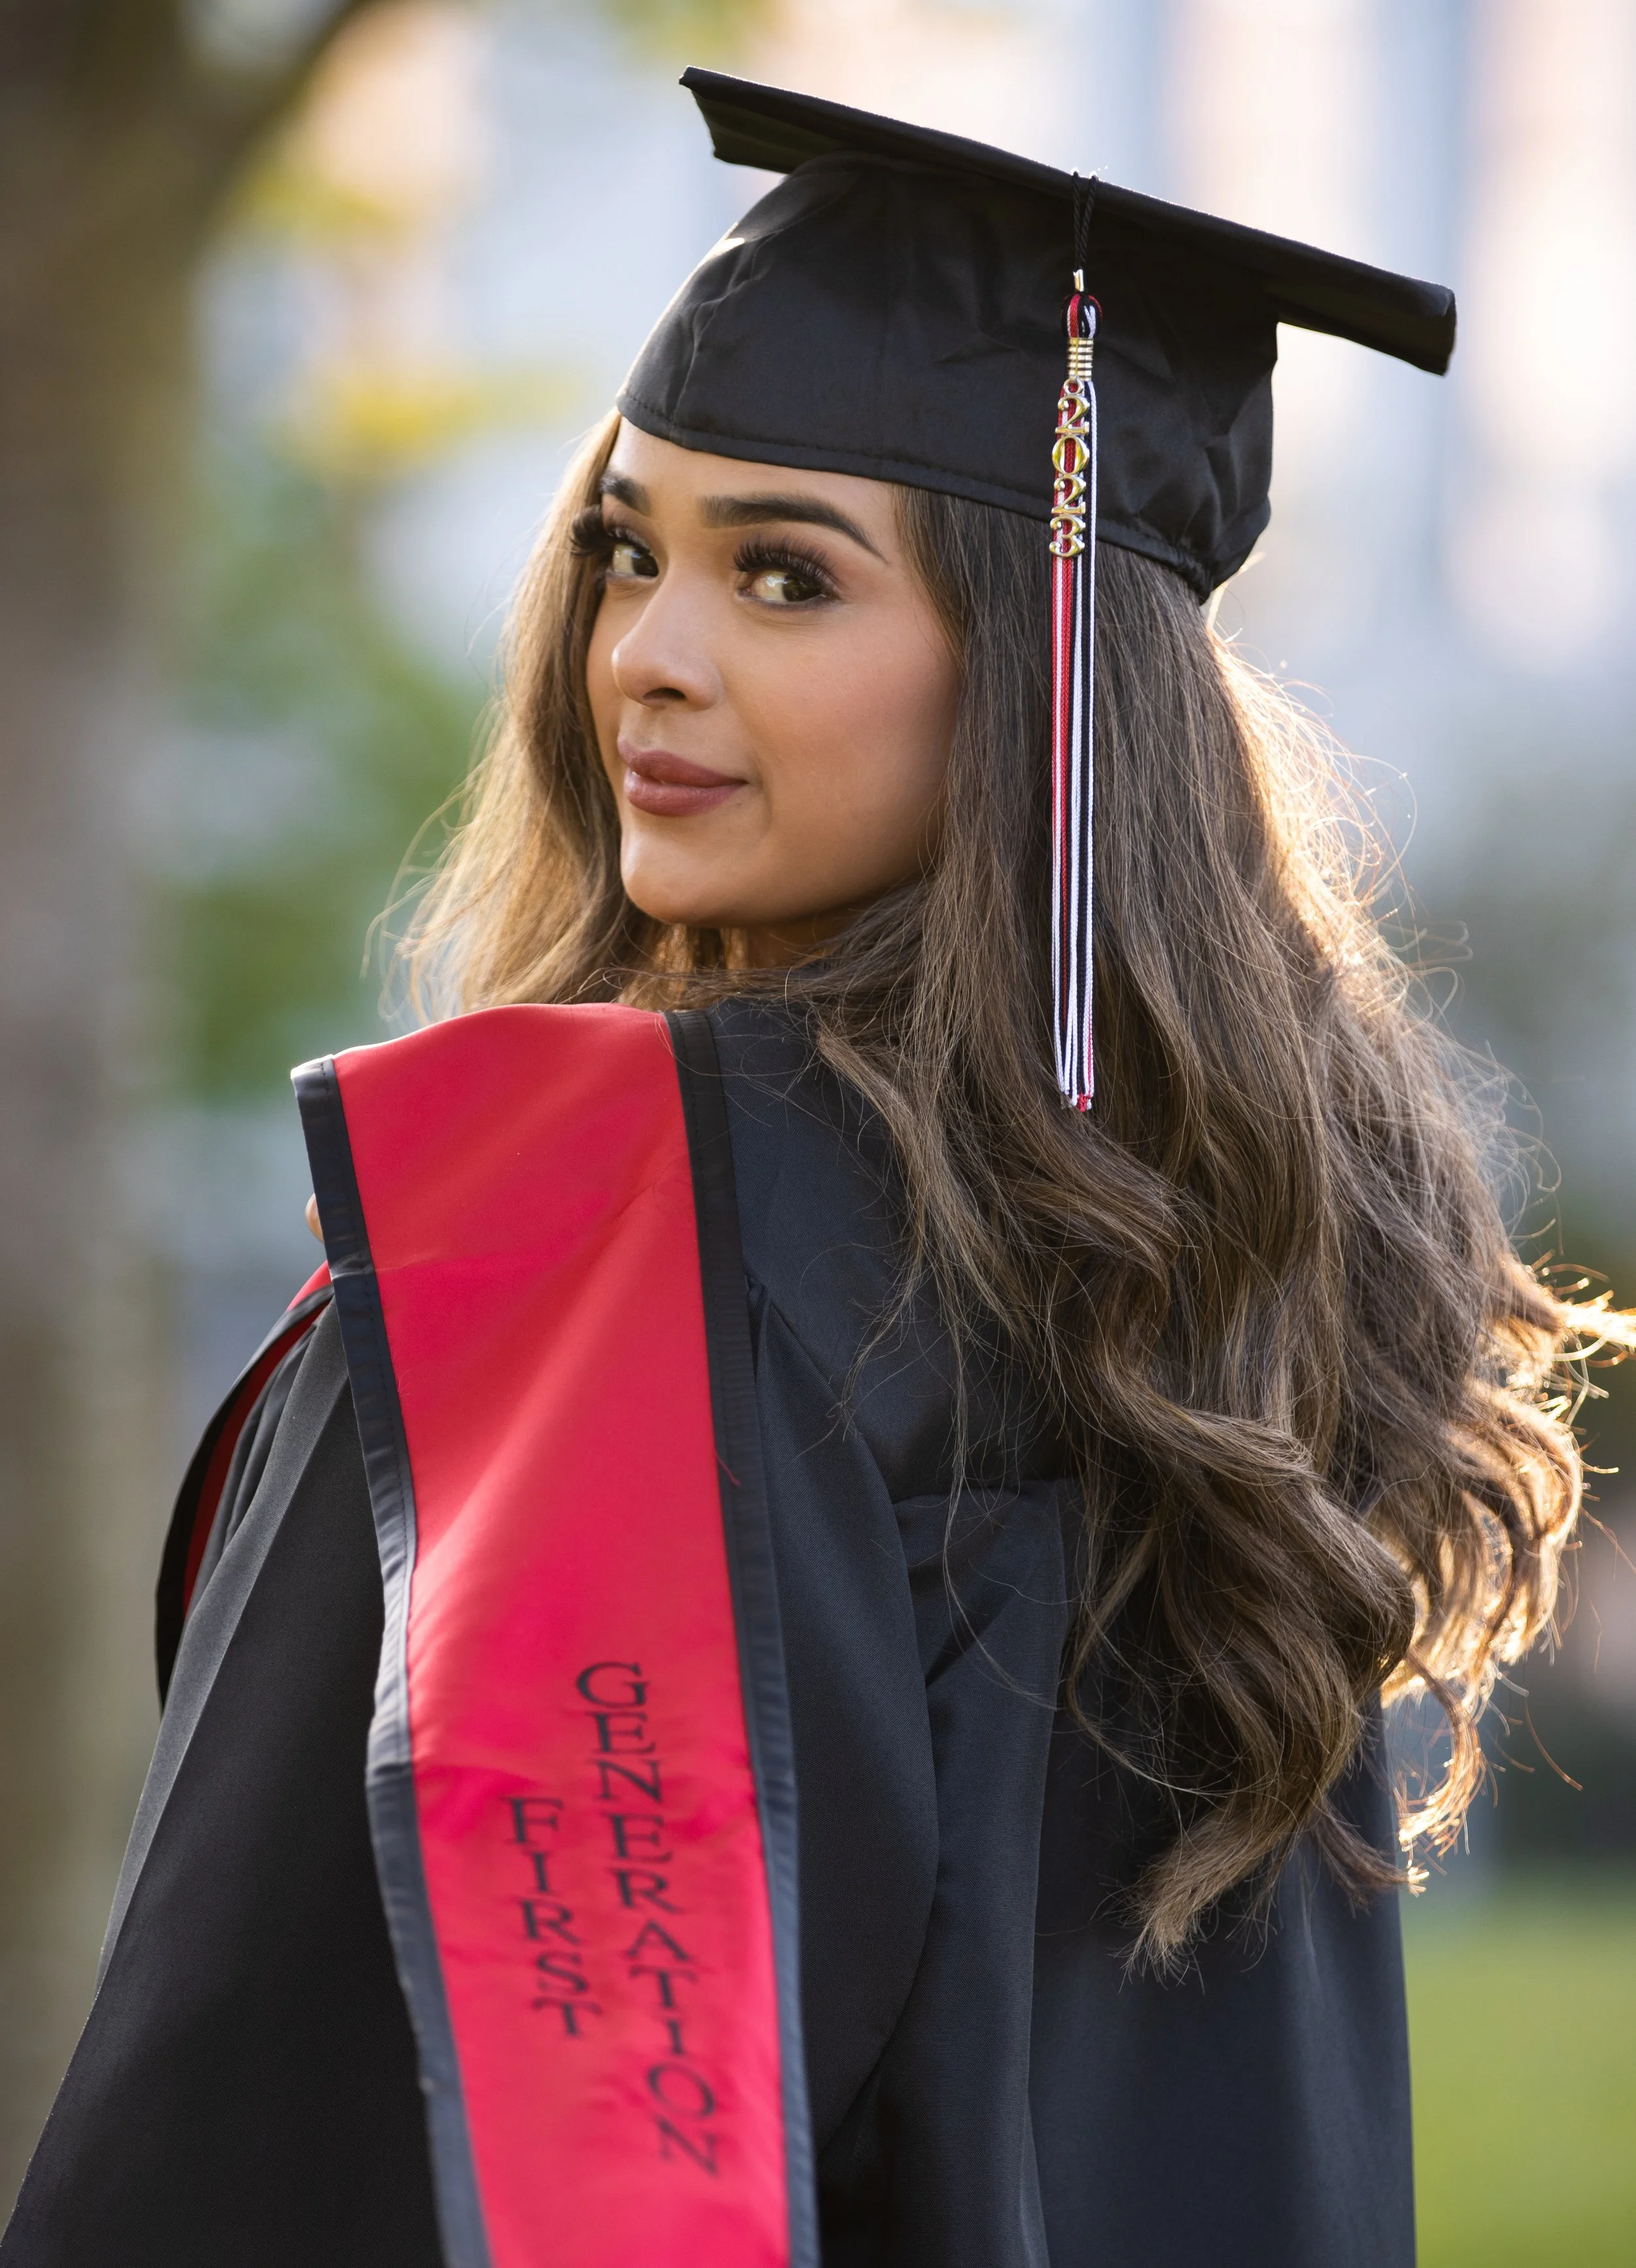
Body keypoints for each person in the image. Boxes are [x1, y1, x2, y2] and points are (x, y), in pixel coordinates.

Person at [5, 69, 1626, 2268]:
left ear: (1045, 679)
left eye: (783, 576)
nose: (645, 658)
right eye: (623, 552)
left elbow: (257, 2120)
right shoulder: (1239, 1284)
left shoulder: (612, 1243)